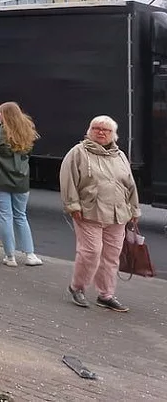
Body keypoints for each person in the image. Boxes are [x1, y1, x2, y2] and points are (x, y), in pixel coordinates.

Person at [60, 115, 141, 312]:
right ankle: (77, 287)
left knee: (111, 256)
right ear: (89, 131)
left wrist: (134, 209)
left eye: (106, 130)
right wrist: (73, 206)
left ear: (114, 134)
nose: (101, 132)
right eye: (96, 128)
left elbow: (130, 184)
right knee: (91, 252)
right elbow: (68, 179)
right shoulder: (78, 152)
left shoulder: (120, 155)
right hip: (90, 212)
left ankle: (106, 295)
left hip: (117, 214)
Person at [0, 102, 43, 267]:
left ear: (4, 115)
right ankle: (30, 254)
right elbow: (28, 155)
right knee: (21, 216)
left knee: (5, 216)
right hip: (21, 181)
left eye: (0, 112)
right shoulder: (27, 132)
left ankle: (10, 256)